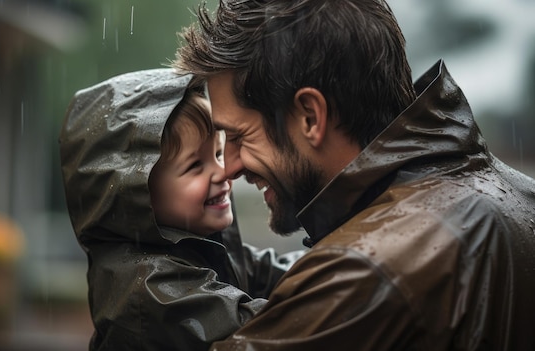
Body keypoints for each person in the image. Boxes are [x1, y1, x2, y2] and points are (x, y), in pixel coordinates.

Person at [173, 0, 535, 350]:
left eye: (238, 137)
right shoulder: (519, 194)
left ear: (310, 117)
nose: (229, 167)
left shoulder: (359, 274)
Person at [59, 68, 300, 351]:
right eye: (195, 165)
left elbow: (285, 273)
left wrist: (347, 258)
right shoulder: (149, 289)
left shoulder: (200, 247)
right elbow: (268, 332)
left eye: (218, 154)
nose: (224, 172)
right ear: (138, 191)